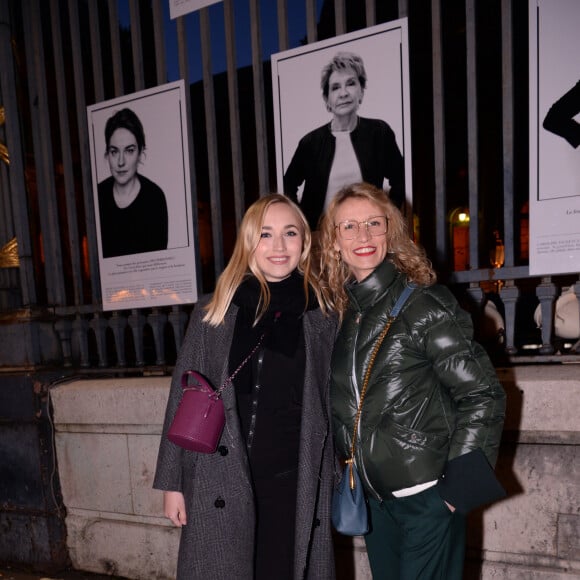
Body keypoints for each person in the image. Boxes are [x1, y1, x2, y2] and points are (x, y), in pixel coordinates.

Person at [317, 182, 506, 579]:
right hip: (376, 503)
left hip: (428, 499)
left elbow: (483, 395)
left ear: (392, 230)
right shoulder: (346, 315)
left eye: (374, 223)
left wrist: (456, 493)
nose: (363, 236)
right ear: (333, 242)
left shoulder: (425, 303)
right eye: (348, 227)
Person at [154, 194, 337, 579]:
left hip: (292, 478)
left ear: (304, 241)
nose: (279, 246)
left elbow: (333, 402)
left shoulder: (321, 314)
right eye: (266, 234)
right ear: (249, 241)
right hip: (221, 474)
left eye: (290, 233)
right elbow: (181, 397)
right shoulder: (216, 310)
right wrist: (173, 484)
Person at [283, 51, 405, 231]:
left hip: (365, 235)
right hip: (322, 239)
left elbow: (400, 178)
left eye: (350, 83)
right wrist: (303, 222)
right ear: (327, 99)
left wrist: (386, 218)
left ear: (361, 91)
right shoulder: (310, 143)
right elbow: (289, 184)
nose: (343, 93)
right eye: (335, 87)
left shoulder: (379, 133)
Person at [97, 108, 168, 258]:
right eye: (114, 151)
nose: (121, 162)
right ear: (107, 154)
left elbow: (158, 262)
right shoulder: (98, 195)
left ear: (141, 153)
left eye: (129, 150)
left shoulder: (154, 197)